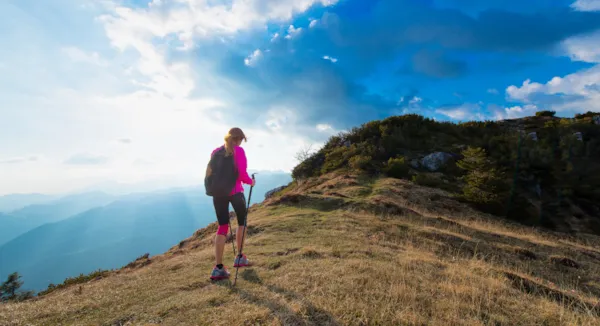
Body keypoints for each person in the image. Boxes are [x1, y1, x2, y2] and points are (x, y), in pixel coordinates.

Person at [209, 127, 255, 281]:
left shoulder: (216, 151)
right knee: (242, 223)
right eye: (241, 140)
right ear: (239, 139)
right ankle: (239, 258)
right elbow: (242, 175)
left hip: (218, 194)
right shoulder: (239, 151)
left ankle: (218, 268)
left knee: (222, 227)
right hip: (235, 193)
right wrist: (251, 182)